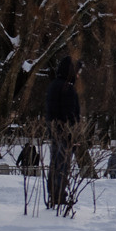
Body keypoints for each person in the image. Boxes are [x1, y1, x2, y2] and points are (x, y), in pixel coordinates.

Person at [43, 50, 81, 207]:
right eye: (77, 71)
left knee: (55, 163)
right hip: (64, 133)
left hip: (54, 131)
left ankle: (54, 193)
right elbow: (69, 112)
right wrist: (72, 131)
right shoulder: (67, 88)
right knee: (61, 164)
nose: (78, 75)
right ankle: (59, 195)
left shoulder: (54, 86)